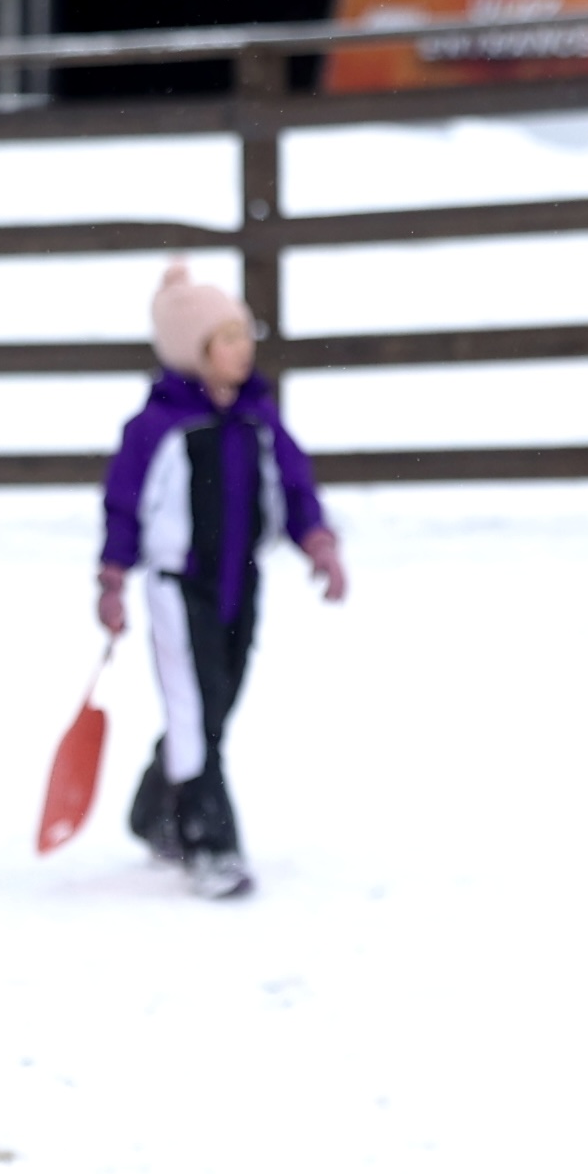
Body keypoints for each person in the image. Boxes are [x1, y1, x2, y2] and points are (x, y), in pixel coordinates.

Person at [96, 263, 347, 901]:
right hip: (179, 589)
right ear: (194, 353)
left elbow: (295, 486)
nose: (243, 348)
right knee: (193, 710)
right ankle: (210, 842)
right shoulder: (156, 428)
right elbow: (122, 505)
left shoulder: (260, 421)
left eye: (242, 335)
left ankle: (156, 808)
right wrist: (112, 578)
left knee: (216, 705)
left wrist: (317, 541)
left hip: (244, 582)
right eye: (226, 339)